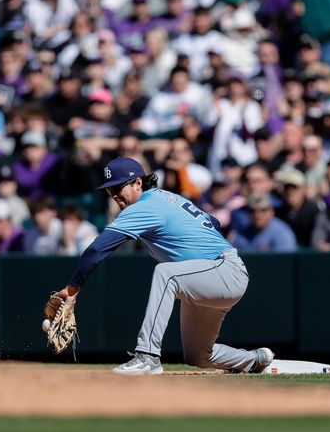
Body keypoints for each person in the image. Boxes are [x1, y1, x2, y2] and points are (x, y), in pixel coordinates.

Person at [51, 157, 274, 375]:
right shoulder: (166, 198)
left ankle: (148, 355)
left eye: (119, 186)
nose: (115, 194)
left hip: (224, 270)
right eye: (110, 190)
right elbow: (212, 222)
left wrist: (73, 289)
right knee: (198, 356)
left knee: (166, 274)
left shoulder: (144, 206)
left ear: (138, 182)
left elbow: (96, 250)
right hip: (207, 276)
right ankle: (254, 360)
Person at [230, 193, 297, 252]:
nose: (257, 215)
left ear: (271, 212)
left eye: (263, 210)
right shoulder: (242, 233)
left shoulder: (282, 232)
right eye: (253, 211)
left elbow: (285, 262)